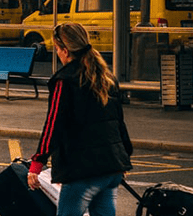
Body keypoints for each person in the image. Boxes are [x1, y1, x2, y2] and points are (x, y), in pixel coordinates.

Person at [25, 22, 134, 216]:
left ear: (66, 51)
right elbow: (118, 121)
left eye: (57, 49)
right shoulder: (106, 77)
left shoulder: (64, 80)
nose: (57, 54)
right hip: (111, 166)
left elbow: (53, 125)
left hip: (84, 170)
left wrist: (37, 162)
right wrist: (123, 155)